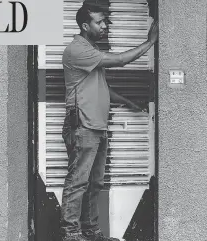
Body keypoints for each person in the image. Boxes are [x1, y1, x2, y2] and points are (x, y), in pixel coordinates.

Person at [60, 2, 158, 241]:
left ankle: (91, 232)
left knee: (94, 184)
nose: (104, 26)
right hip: (83, 126)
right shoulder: (78, 50)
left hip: (96, 127)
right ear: (85, 25)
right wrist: (150, 42)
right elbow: (120, 60)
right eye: (99, 22)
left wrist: (128, 102)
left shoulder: (90, 51)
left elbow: (102, 88)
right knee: (78, 182)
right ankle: (71, 234)